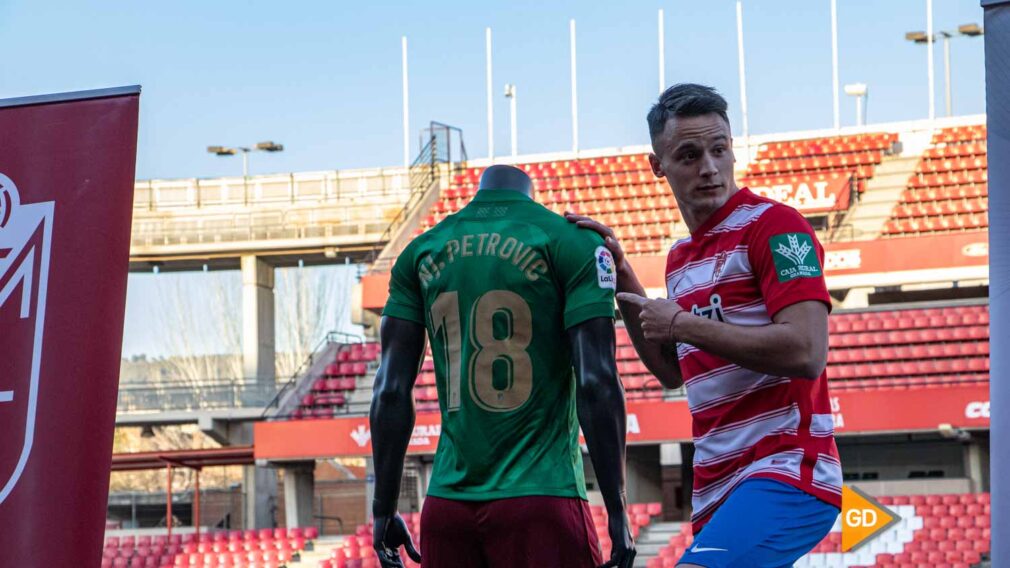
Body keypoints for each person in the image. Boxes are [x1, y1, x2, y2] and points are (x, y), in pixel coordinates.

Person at [567, 83, 841, 568]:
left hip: (785, 471)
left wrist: (685, 324)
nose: (709, 167)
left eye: (719, 149)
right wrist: (624, 273)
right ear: (658, 167)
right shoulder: (679, 259)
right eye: (689, 155)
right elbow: (673, 372)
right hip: (716, 484)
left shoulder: (776, 226)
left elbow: (806, 351)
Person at [370, 164, 637, 568]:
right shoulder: (572, 241)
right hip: (544, 497)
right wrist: (618, 512)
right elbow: (597, 381)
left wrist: (383, 508)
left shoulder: (420, 252)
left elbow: (389, 391)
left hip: (446, 507)